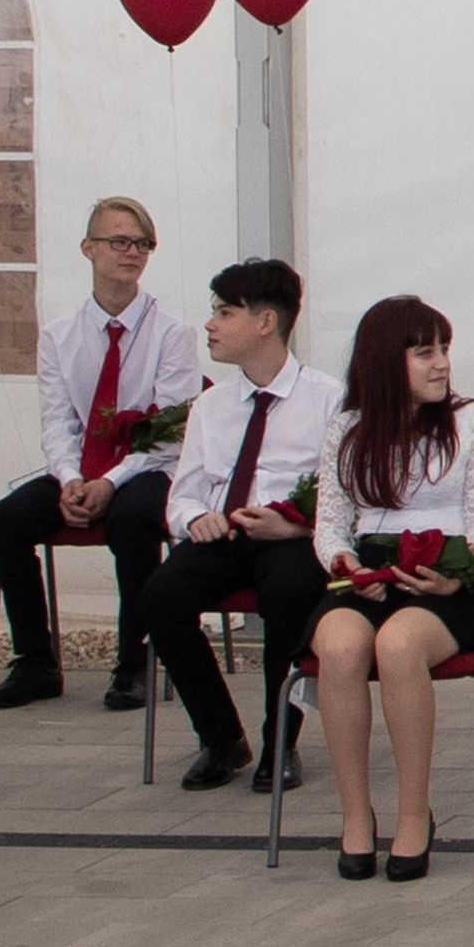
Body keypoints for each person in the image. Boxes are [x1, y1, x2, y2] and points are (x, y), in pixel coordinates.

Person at [303, 296, 474, 881]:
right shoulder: (347, 428)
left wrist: (456, 574)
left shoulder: (472, 420)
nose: (441, 363)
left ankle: (413, 813)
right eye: (425, 352)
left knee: (398, 645)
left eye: (444, 349)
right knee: (340, 647)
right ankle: (355, 816)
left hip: (445, 577)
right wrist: (344, 563)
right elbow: (330, 524)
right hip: (370, 572)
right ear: (383, 361)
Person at [0, 196, 200, 713]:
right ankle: (36, 660)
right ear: (89, 248)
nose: (132, 252)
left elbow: (170, 433)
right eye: (119, 241)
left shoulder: (173, 334)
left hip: (148, 467)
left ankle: (135, 661)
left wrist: (111, 481)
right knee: (6, 521)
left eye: (143, 244)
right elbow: (57, 421)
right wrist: (68, 479)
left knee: (132, 519)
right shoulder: (60, 335)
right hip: (81, 466)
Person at [130, 259, 328, 792]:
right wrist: (197, 518)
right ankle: (221, 738)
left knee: (290, 594)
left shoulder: (327, 400)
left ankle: (280, 741)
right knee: (160, 597)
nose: (210, 324)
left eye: (224, 313)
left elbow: (345, 493)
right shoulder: (211, 405)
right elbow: (184, 492)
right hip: (226, 533)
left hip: (290, 536)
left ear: (266, 321)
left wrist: (296, 525)